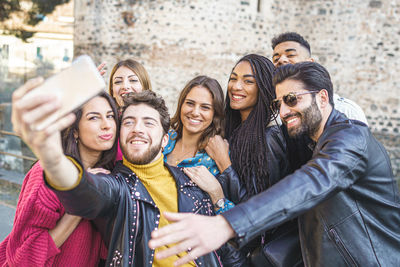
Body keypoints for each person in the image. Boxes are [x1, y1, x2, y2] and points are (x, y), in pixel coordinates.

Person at [149, 62, 400, 266]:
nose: (284, 110)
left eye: (292, 99)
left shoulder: (351, 139)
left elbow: (309, 183)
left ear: (322, 98)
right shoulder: (307, 142)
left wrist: (226, 223)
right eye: (278, 103)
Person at [11, 85, 245, 267]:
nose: (137, 129)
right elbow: (88, 192)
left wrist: (217, 194)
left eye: (148, 123)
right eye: (129, 122)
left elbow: (225, 251)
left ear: (166, 140)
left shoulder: (192, 183)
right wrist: (52, 157)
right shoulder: (116, 184)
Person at [186, 54, 298, 265]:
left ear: (264, 87)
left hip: (245, 254)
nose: (236, 86)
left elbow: (258, 209)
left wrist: (223, 164)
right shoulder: (232, 128)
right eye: (233, 78)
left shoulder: (269, 138)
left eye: (248, 81)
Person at [0, 92, 119, 266]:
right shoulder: (47, 173)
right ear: (75, 130)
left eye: (110, 116)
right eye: (94, 118)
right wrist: (81, 202)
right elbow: (23, 259)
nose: (107, 125)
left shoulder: (107, 177)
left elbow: (106, 251)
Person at [163, 75, 234, 212]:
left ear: (215, 114)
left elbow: (237, 220)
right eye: (190, 103)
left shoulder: (217, 157)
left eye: (205, 107)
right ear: (181, 104)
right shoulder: (162, 139)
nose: (195, 112)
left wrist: (216, 193)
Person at [271, 31, 368, 125]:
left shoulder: (345, 110)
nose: (281, 60)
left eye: (291, 55)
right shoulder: (281, 115)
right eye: (276, 59)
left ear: (310, 63)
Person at [107, 59, 152, 161]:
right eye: (118, 82)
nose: (125, 86)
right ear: (112, 91)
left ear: (144, 86)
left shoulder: (158, 121)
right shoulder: (106, 123)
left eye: (133, 80)